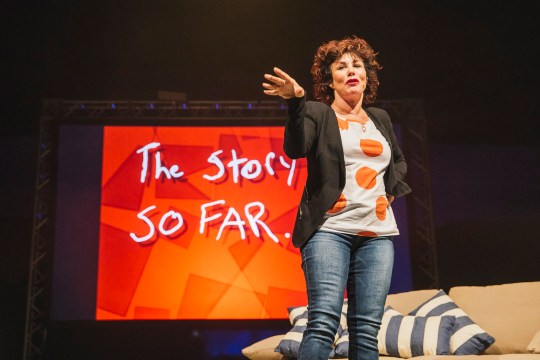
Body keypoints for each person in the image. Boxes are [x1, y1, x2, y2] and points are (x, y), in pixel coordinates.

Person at [262, 36, 411, 360]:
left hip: (378, 234)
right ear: (329, 79)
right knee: (324, 322)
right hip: (330, 230)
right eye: (341, 67)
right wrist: (296, 102)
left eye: (358, 65)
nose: (351, 71)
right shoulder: (317, 112)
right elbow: (295, 148)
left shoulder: (380, 119)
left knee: (367, 331)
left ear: (368, 76)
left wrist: (389, 189)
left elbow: (398, 160)